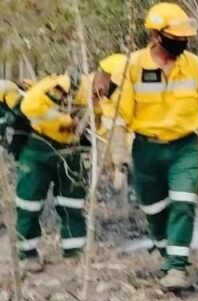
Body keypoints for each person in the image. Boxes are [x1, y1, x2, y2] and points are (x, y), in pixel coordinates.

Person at [117, 2, 198, 291]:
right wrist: (118, 152)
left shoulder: (194, 67)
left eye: (184, 37)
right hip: (146, 150)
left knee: (184, 202)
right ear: (156, 36)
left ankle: (177, 268)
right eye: (175, 37)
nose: (181, 42)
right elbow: (118, 115)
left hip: (184, 148)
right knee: (154, 210)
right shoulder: (133, 66)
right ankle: (165, 250)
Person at [14, 73, 92, 273]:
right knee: (29, 204)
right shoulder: (68, 85)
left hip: (72, 151)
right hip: (40, 147)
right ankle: (27, 253)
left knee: (72, 203)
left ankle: (74, 251)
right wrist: (65, 121)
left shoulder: (106, 97)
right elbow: (30, 107)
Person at [93, 53, 133, 189]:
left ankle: (119, 185)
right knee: (107, 158)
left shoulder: (123, 91)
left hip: (120, 125)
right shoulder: (109, 96)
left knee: (119, 159)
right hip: (111, 125)